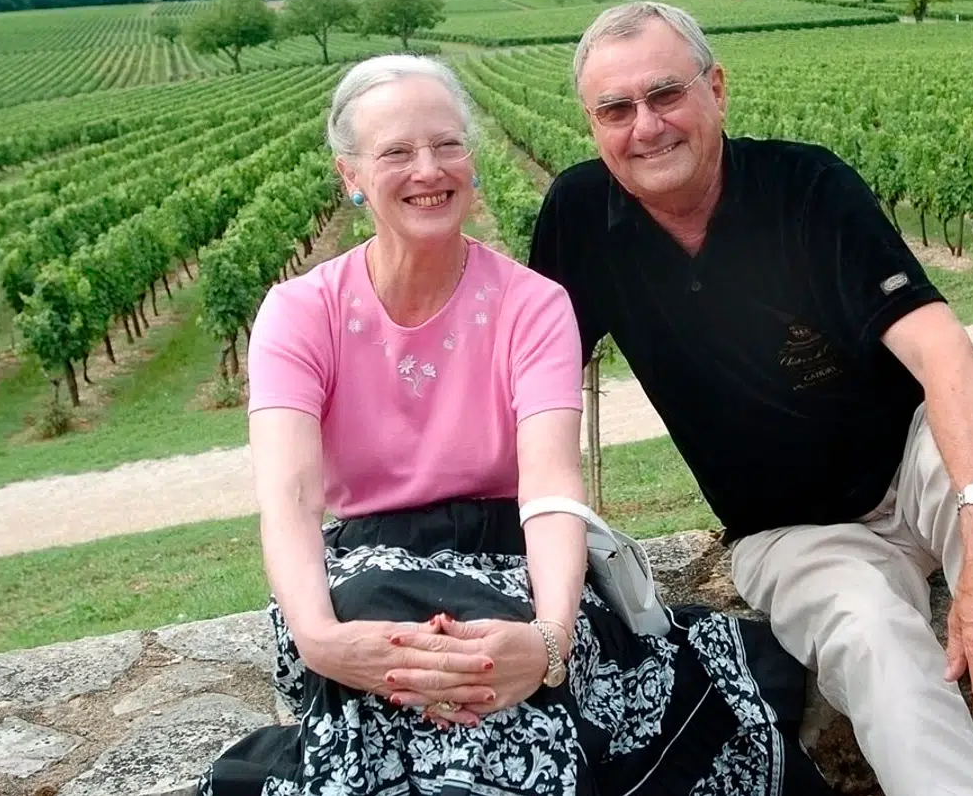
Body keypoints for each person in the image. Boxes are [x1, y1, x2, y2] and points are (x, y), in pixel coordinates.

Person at [198, 54, 839, 796]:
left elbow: (550, 488)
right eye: (396, 152)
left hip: (516, 563)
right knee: (398, 647)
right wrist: (320, 640)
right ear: (350, 175)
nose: (428, 169)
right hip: (364, 576)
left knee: (497, 690)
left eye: (447, 144)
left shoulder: (532, 305)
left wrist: (549, 641)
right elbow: (291, 500)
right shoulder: (299, 314)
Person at [527, 2, 973, 796]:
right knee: (877, 641)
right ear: (592, 124)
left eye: (666, 94)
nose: (646, 127)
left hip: (906, 460)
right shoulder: (581, 216)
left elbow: (945, 353)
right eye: (616, 109)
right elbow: (537, 394)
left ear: (716, 88)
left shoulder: (805, 184)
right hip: (788, 532)